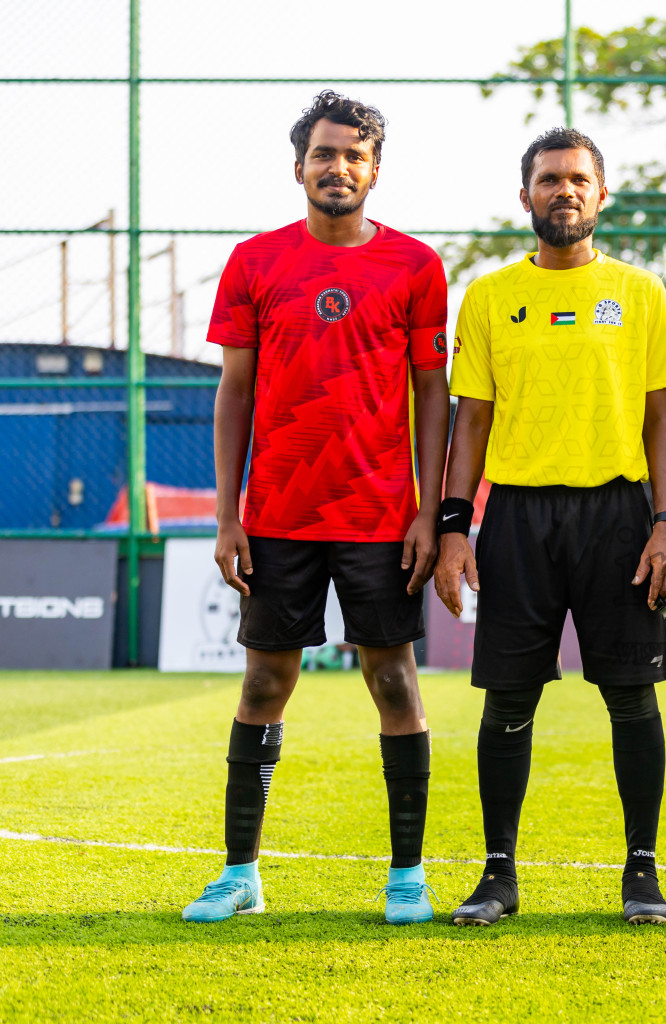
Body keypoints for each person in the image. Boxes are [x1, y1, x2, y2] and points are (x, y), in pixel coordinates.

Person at [183, 91, 449, 925]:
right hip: (278, 516)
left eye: (355, 155)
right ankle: (240, 874)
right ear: (298, 165)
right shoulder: (256, 262)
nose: (339, 168)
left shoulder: (414, 265)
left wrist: (429, 511)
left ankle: (406, 876)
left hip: (379, 516)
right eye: (325, 154)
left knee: (394, 681)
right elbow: (234, 392)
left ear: (376, 169)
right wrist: (229, 516)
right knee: (264, 680)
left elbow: (433, 394)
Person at [433, 127, 666, 927]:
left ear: (601, 195)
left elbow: (660, 422)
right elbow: (469, 423)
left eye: (578, 179)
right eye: (549, 179)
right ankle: (498, 875)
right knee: (506, 701)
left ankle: (641, 873)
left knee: (631, 698)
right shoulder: (487, 295)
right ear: (526, 197)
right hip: (516, 518)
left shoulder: (640, 294)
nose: (564, 191)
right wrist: (452, 527)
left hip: (618, 517)